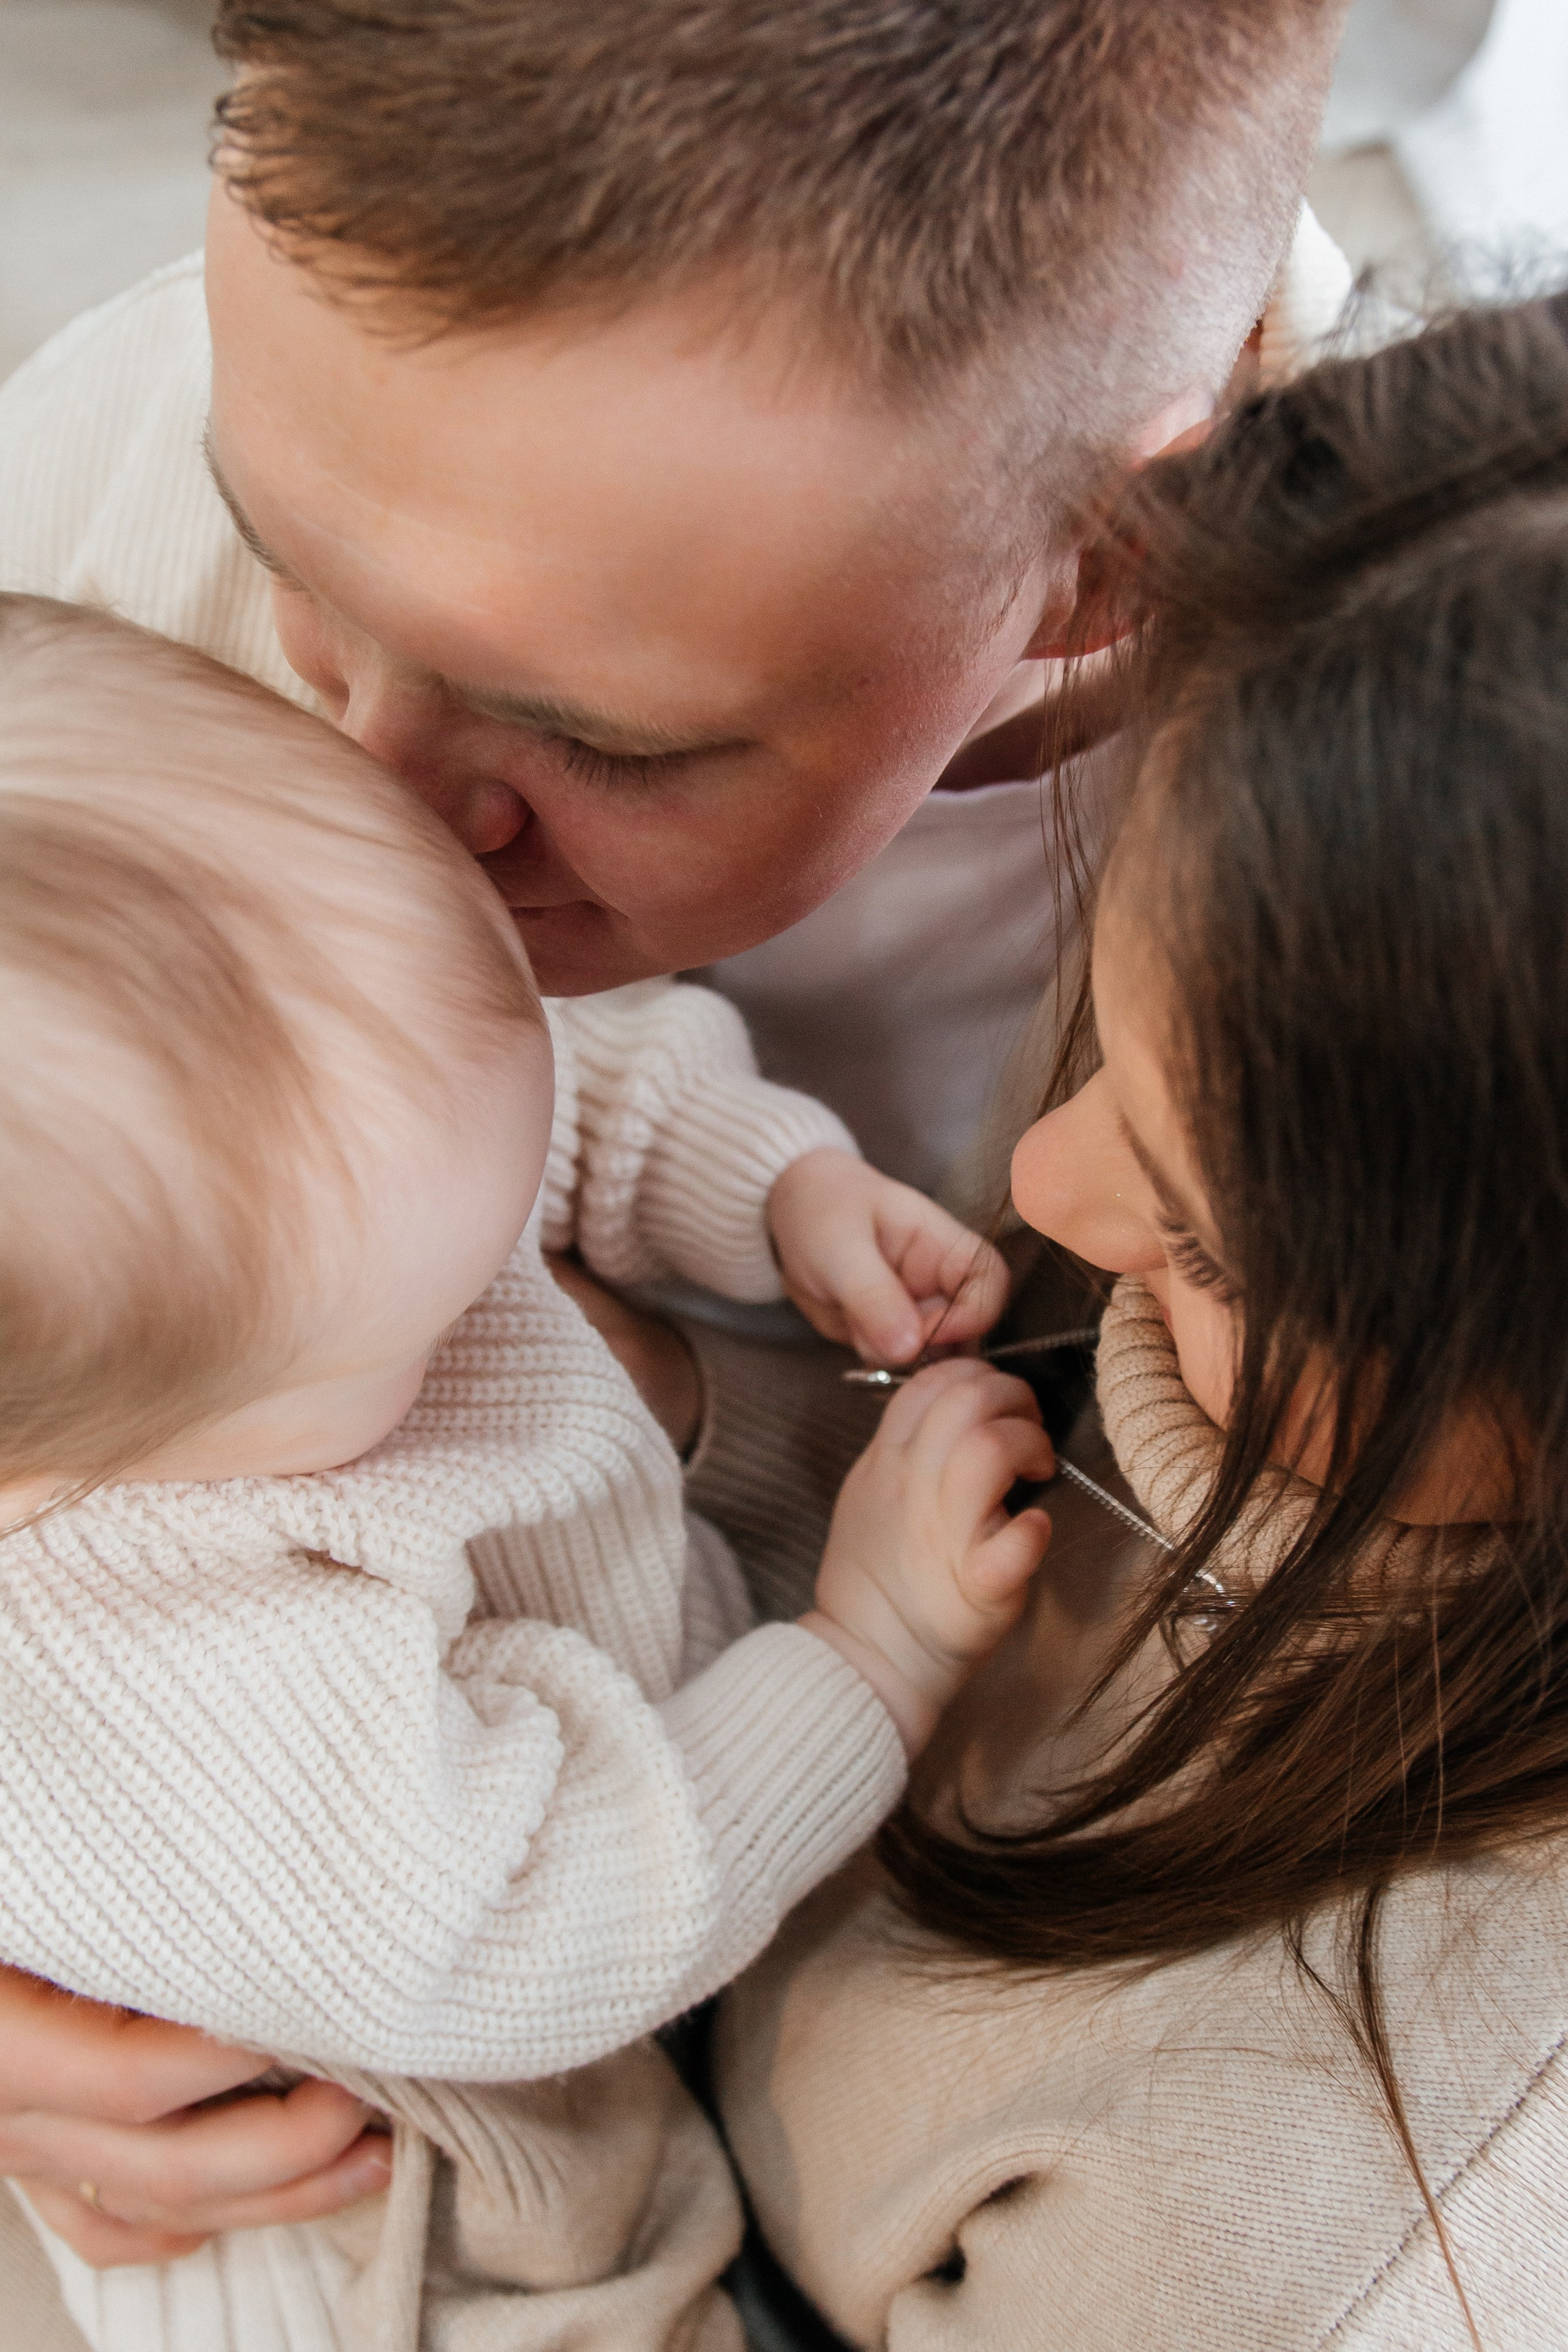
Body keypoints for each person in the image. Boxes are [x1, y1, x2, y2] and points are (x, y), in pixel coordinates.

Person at [0, 0, 1357, 2291]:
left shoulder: (1423, 833)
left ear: (1114, 548)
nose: (388, 819)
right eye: (293, 575)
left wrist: (718, 1418)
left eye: (595, 736)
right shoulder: (111, 486)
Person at [0, 591, 1054, 2351]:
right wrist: (866, 1653)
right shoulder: (157, 1668)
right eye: (431, 1319)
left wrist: (774, 1187)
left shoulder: (315, 1108)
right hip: (411, 2190)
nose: (510, 1276)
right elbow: (546, 1916)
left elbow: (529, 1084)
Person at [712, 288, 1568, 2348]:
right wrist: (670, 1416)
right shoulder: (1314, 923)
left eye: (1202, 1250)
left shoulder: (1343, 2236)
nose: (1047, 1190)